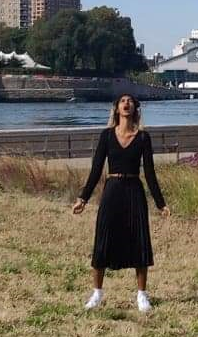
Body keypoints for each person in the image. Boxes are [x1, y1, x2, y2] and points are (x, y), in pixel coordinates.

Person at [72, 93, 170, 312]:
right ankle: (97, 293)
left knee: (140, 241)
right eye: (122, 101)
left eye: (130, 101)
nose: (127, 104)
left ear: (135, 109)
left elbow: (151, 173)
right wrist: (83, 199)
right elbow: (96, 170)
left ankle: (142, 295)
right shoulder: (106, 136)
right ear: (116, 108)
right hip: (112, 190)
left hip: (134, 191)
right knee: (103, 239)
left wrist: (160, 203)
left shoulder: (143, 138)